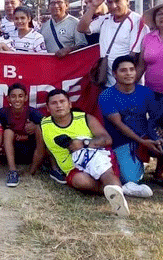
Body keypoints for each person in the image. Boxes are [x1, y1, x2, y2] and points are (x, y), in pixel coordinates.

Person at [40, 89, 130, 217]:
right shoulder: (44, 125)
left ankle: (119, 204)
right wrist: (32, 171)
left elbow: (107, 139)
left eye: (62, 101)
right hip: (74, 168)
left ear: (70, 104)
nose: (59, 105)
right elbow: (42, 149)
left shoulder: (86, 118)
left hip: (97, 155)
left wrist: (83, 143)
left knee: (102, 169)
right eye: (54, 103)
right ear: (48, 108)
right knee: (79, 181)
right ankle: (120, 189)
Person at [99, 56, 161, 196]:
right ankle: (136, 163)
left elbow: (154, 118)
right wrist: (142, 142)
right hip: (122, 141)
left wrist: (157, 137)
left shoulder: (145, 92)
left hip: (145, 136)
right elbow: (119, 124)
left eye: (132, 69)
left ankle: (158, 173)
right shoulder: (107, 95)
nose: (128, 73)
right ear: (115, 74)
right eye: (123, 70)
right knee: (130, 179)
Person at [77, 0, 149, 87]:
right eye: (110, 2)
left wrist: (125, 85)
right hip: (107, 82)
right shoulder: (105, 19)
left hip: (127, 85)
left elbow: (134, 56)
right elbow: (81, 28)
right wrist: (93, 6)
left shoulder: (137, 21)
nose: (114, 6)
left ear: (127, 1)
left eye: (117, 1)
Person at [0, 83, 45, 187]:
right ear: (8, 98)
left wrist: (35, 128)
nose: (17, 99)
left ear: (26, 98)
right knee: (8, 132)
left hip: (31, 152)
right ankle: (12, 171)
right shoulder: (3, 113)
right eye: (13, 96)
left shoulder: (33, 113)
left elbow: (48, 129)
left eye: (20, 96)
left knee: (40, 128)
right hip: (12, 154)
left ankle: (33, 170)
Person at [137, 0, 163, 137]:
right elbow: (141, 66)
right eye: (159, 13)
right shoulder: (148, 38)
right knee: (157, 134)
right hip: (153, 95)